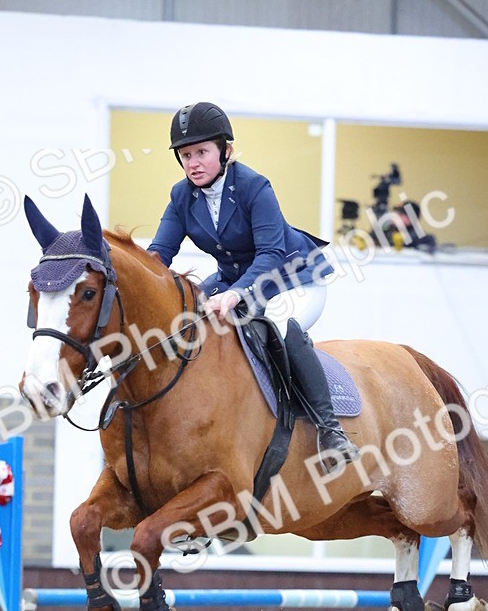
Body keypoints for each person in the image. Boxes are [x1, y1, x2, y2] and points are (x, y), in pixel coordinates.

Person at [148, 102, 359, 470]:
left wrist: (234, 294)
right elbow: (158, 255)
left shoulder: (254, 186)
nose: (193, 162)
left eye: (202, 152)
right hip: (236, 277)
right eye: (186, 155)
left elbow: (271, 254)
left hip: (291, 276)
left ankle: (330, 432)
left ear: (225, 151)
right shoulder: (181, 196)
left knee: (278, 328)